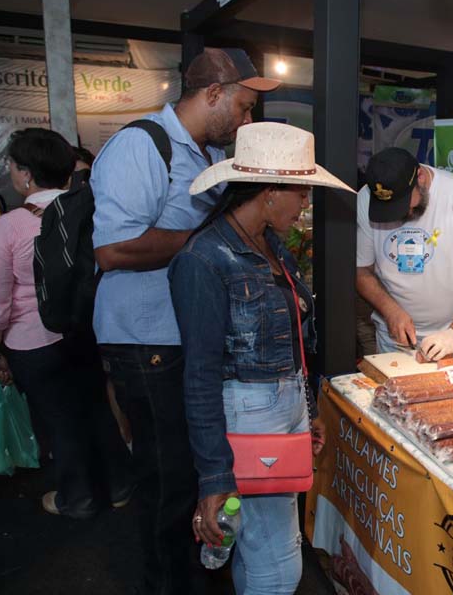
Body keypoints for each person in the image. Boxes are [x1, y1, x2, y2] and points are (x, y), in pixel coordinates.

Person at [90, 48, 280, 594]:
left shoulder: (198, 155)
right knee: (167, 479)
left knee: (189, 474)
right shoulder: (141, 144)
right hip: (145, 342)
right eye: (243, 108)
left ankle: (189, 575)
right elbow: (115, 248)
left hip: (178, 335)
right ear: (212, 94)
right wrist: (210, 245)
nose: (246, 121)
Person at [170, 123, 353, 594]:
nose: (306, 203)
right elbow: (200, 376)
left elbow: (291, 341)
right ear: (270, 192)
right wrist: (214, 476)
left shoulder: (268, 244)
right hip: (248, 416)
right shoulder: (205, 259)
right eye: (302, 191)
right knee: (279, 564)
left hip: (280, 409)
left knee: (260, 548)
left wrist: (305, 410)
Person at [0, 128, 131, 517]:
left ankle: (77, 498)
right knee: (97, 408)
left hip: (34, 343)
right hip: (88, 331)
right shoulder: (91, 214)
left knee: (60, 420)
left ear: (26, 174)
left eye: (13, 166)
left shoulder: (10, 227)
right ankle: (119, 486)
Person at [356, 147, 453, 361]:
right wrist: (390, 310)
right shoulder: (365, 199)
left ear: (420, 177)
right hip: (395, 341)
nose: (401, 215)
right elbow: (361, 271)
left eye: (404, 204)